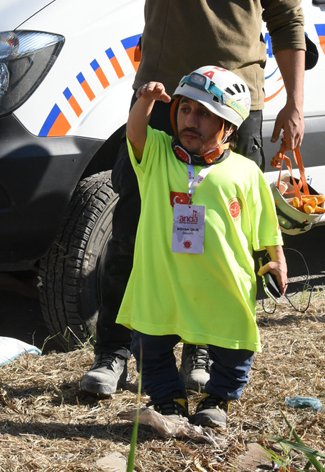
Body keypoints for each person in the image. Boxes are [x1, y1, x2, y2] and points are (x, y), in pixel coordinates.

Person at [80, 0, 305, 397]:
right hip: (166, 101)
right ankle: (113, 354)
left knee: (220, 238)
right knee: (135, 228)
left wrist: (293, 103)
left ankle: (201, 352)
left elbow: (288, 24)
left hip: (239, 111)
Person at [117, 66, 287, 429]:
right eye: (185, 110)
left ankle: (219, 399)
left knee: (235, 346)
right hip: (161, 280)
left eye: (206, 114)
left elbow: (263, 226)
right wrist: (145, 101)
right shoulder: (159, 154)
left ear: (229, 126)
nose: (191, 120)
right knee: (149, 346)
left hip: (221, 283)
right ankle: (168, 399)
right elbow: (135, 133)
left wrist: (276, 261)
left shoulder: (245, 171)